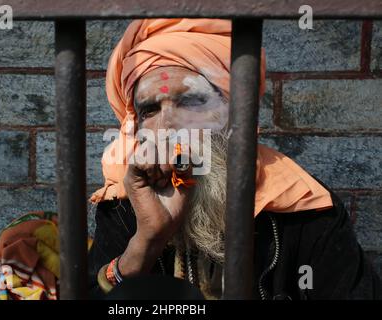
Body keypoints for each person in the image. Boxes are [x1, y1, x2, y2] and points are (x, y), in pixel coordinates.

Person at [88, 18, 381, 300]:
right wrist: (146, 241)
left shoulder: (306, 208)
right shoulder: (125, 203)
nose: (166, 128)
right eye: (150, 110)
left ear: (235, 115)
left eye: (190, 101)